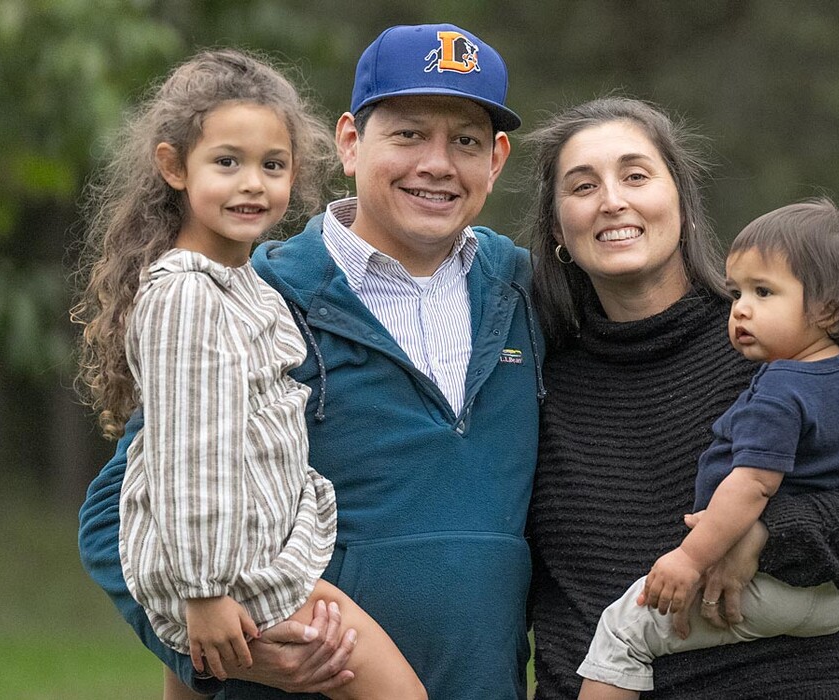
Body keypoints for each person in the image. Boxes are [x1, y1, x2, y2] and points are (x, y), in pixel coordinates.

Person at [78, 24, 541, 699]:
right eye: (408, 134)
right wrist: (224, 654)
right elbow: (117, 515)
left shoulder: (527, 291)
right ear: (351, 142)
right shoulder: (257, 297)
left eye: (465, 141)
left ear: (496, 159)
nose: (437, 164)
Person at [523, 97, 839, 699]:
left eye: (635, 176)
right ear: (557, 230)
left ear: (684, 205)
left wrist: (765, 533)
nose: (611, 200)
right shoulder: (532, 371)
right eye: (583, 186)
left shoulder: (779, 343)